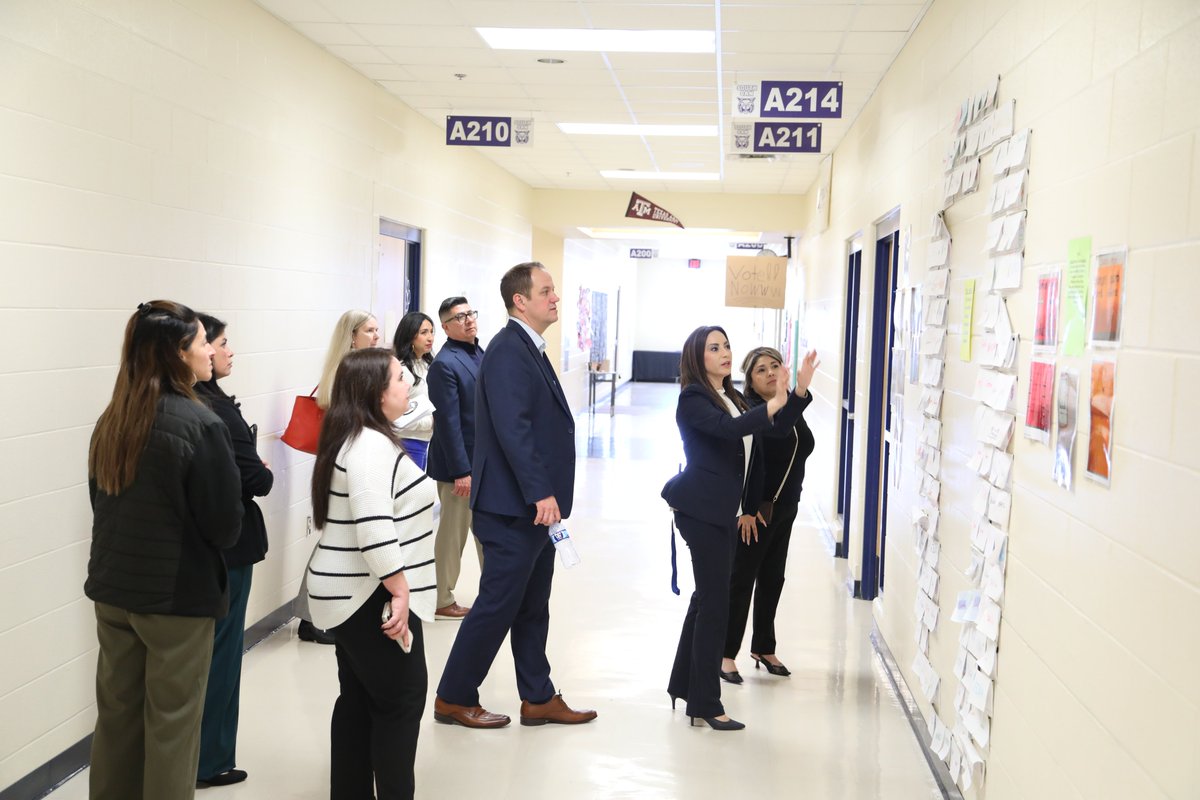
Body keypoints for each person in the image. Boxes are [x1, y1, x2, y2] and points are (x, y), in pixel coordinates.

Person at [85, 301, 243, 800]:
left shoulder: (112, 418)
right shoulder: (202, 424)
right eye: (201, 343)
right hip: (175, 602)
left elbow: (100, 502)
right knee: (173, 726)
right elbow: (224, 527)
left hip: (114, 592)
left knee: (117, 720)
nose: (210, 353)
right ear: (178, 353)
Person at [433, 262, 596, 729]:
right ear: (519, 300)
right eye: (546, 291)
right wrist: (540, 492)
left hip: (531, 510)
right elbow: (513, 429)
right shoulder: (509, 350)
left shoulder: (528, 347)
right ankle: (452, 696)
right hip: (513, 507)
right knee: (496, 606)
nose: (555, 298)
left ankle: (538, 696)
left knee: (531, 605)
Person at [660, 326, 816, 731]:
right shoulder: (694, 399)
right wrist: (775, 402)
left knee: (706, 599)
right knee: (716, 603)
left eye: (727, 345)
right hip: (701, 511)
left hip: (720, 511)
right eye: (714, 348)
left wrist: (797, 393)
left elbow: (776, 430)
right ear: (698, 358)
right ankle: (707, 703)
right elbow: (730, 431)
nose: (725, 352)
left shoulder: (732, 396)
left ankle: (684, 685)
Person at [305, 348, 437, 800]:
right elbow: (373, 527)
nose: (408, 385)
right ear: (377, 393)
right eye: (400, 378)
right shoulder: (370, 447)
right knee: (400, 704)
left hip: (349, 595)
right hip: (368, 596)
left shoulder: (356, 436)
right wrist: (400, 591)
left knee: (359, 703)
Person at [194, 314, 274, 789]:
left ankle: (204, 755)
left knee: (211, 652)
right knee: (223, 654)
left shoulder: (188, 402)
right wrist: (257, 467)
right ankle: (211, 759)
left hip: (205, 549)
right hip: (230, 547)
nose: (225, 352)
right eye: (219, 343)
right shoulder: (214, 410)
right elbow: (255, 479)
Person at [722, 346, 815, 684]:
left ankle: (763, 646)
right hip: (757, 511)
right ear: (749, 380)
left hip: (785, 507)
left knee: (773, 578)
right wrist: (745, 510)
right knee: (741, 581)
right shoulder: (752, 411)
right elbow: (774, 434)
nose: (770, 373)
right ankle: (725, 653)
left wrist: (797, 392)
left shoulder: (788, 406)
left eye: (775, 366)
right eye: (760, 370)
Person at [298, 309, 382, 645]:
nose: (376, 336)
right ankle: (308, 618)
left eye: (377, 330)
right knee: (331, 539)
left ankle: (324, 613)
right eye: (370, 330)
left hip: (347, 461)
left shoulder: (359, 368)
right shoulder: (346, 372)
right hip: (339, 463)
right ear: (352, 336)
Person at [425, 297, 485, 620]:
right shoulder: (444, 364)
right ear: (446, 327)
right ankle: (441, 597)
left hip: (483, 464)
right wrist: (462, 470)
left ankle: (496, 591)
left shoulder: (479, 352)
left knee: (486, 529)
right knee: (453, 534)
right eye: (459, 317)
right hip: (457, 470)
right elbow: (448, 423)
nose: (468, 320)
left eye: (470, 313)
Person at [392, 311, 436, 471]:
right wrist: (431, 423)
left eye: (431, 332)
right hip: (407, 442)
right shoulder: (402, 370)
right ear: (410, 336)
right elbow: (395, 418)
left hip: (423, 441)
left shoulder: (427, 364)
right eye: (424, 333)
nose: (430, 337)